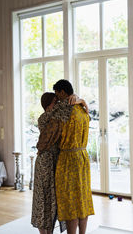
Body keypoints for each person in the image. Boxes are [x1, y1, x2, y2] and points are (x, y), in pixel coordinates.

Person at [31, 92, 88, 234]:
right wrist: (77, 99)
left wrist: (80, 99)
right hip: (45, 163)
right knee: (43, 200)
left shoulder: (56, 115)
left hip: (57, 161)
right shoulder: (46, 118)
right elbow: (66, 107)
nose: (58, 104)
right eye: (55, 102)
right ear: (48, 105)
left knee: (55, 201)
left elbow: (73, 109)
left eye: (58, 101)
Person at [53, 80, 94, 234]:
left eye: (57, 95)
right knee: (82, 198)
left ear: (63, 92)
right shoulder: (83, 109)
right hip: (82, 156)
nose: (57, 98)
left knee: (70, 201)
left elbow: (53, 133)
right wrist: (82, 99)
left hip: (68, 158)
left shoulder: (63, 110)